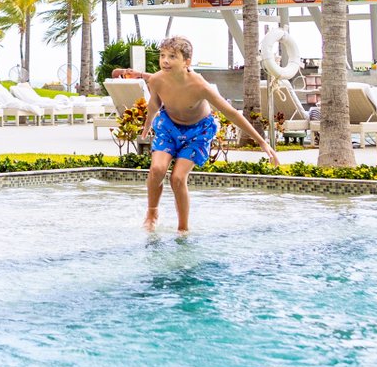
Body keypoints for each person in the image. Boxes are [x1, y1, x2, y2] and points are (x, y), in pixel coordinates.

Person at [112, 34, 276, 233]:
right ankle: (152, 212)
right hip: (168, 126)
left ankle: (183, 229)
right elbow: (155, 103)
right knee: (157, 170)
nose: (165, 60)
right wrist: (147, 125)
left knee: (178, 179)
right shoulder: (156, 80)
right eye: (162, 55)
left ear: (186, 62)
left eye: (172, 56)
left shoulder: (200, 86)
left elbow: (231, 112)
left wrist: (261, 142)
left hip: (198, 131)